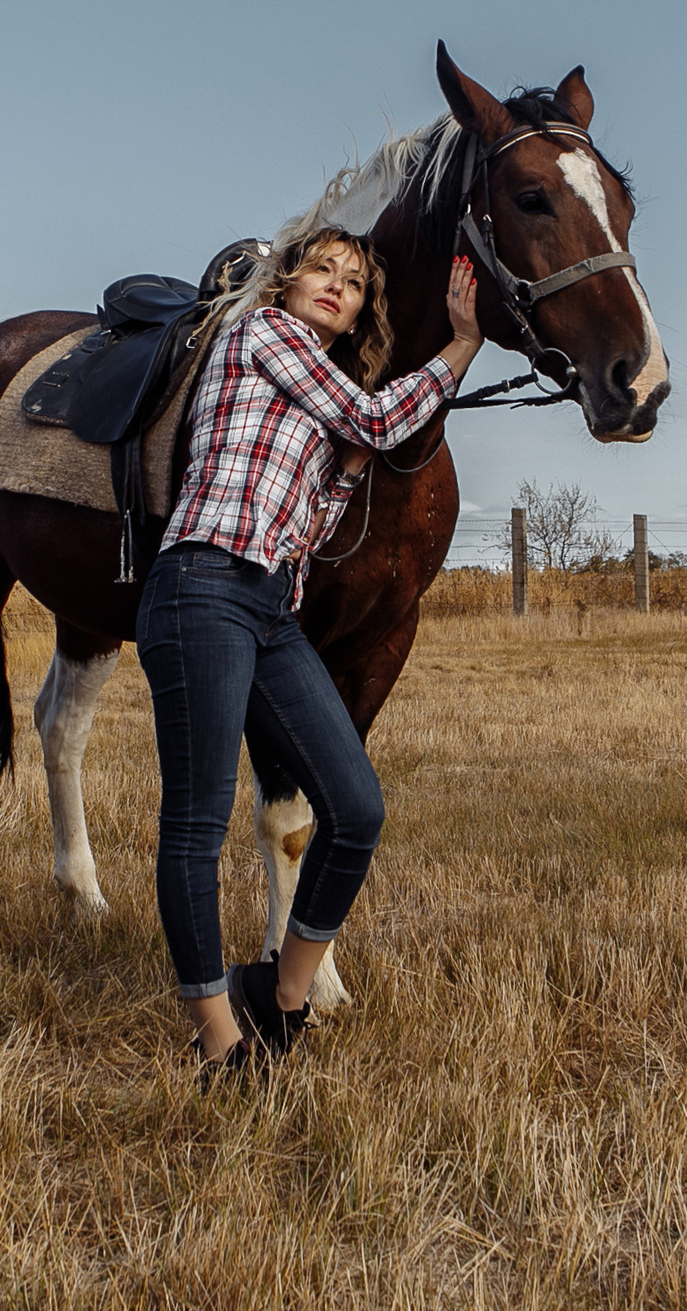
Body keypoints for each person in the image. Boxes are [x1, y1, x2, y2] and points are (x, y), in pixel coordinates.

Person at [136, 227, 484, 1077]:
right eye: (322, 269)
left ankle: (280, 997)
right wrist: (463, 342)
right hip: (202, 587)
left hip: (271, 607)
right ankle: (218, 1038)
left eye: (355, 282)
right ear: (288, 282)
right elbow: (372, 414)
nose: (337, 285)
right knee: (196, 822)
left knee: (356, 809)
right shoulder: (263, 334)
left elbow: (322, 508)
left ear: (365, 309)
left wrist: (346, 468)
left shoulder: (318, 391)